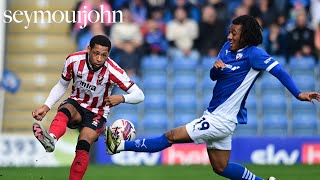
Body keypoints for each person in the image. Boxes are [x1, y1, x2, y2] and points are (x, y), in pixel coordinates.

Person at [105, 15, 320, 180]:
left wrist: (298, 93)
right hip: (216, 116)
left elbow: (279, 71)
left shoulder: (254, 54)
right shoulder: (227, 48)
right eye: (229, 32)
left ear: (245, 35)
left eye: (234, 33)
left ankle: (120, 146)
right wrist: (217, 69)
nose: (229, 37)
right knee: (221, 168)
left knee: (171, 136)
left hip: (221, 120)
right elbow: (213, 75)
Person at [32, 35, 144, 180]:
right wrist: (46, 107)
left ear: (108, 55)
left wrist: (122, 98)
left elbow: (140, 95)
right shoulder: (73, 60)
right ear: (88, 49)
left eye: (103, 55)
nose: (99, 59)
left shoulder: (113, 70)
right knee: (67, 108)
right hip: (77, 103)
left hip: (98, 113)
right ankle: (51, 139)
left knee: (84, 142)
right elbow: (62, 84)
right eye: (96, 53)